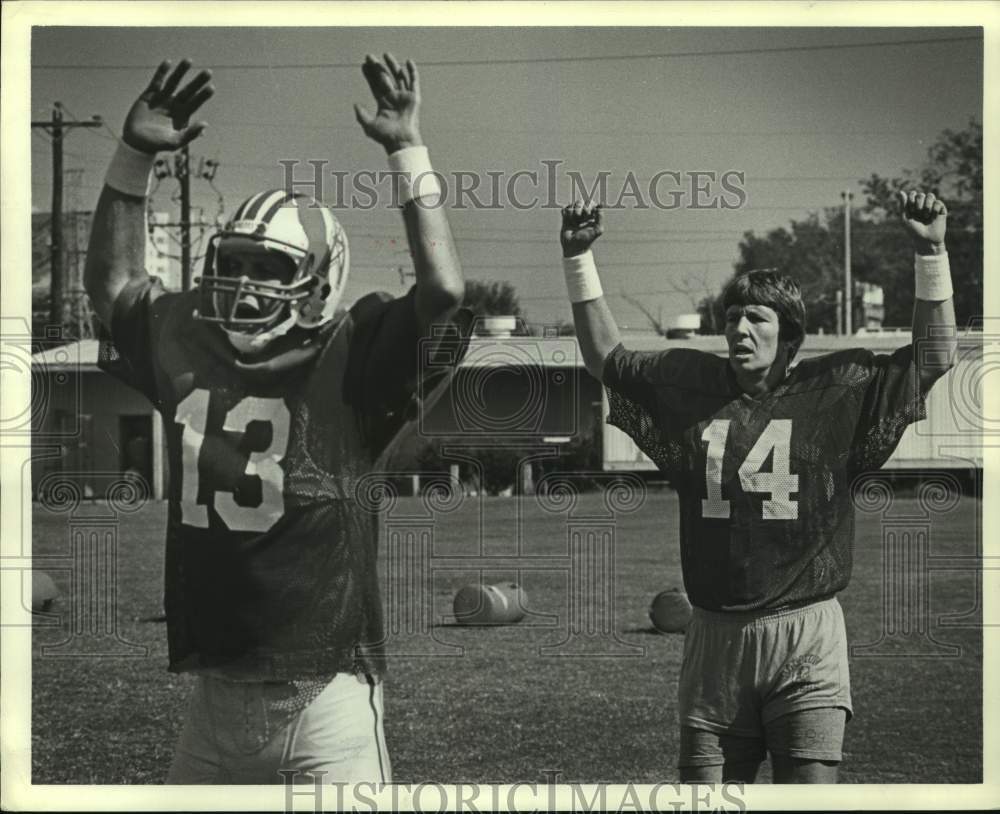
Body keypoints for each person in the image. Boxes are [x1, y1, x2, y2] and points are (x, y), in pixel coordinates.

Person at [85, 54, 468, 784]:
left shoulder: (352, 359)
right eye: (235, 262)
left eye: (269, 269)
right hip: (213, 698)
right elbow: (111, 286)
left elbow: (443, 288)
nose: (243, 283)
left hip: (324, 698)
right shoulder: (189, 340)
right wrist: (134, 155)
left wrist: (405, 148)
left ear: (321, 284)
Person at [558, 192, 956, 783]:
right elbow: (605, 358)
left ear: (789, 336)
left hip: (806, 632)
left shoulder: (836, 385)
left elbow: (934, 355)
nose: (738, 329)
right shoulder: (687, 380)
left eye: (757, 319)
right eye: (731, 317)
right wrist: (578, 258)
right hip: (715, 635)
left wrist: (932, 250)